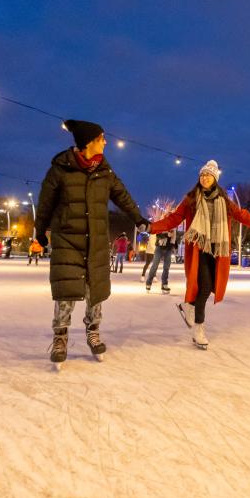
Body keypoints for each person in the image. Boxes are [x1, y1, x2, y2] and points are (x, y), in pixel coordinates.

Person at [33, 119, 148, 368]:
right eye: (101, 138)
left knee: (94, 290)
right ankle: (60, 337)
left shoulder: (104, 171)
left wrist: (138, 218)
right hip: (67, 238)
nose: (106, 142)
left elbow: (122, 195)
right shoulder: (60, 169)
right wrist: (40, 230)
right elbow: (45, 202)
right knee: (66, 291)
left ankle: (93, 331)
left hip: (95, 240)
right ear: (89, 142)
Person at [150, 160, 250, 350]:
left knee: (210, 286)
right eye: (202, 175)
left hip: (218, 251)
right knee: (204, 287)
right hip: (200, 250)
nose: (205, 178)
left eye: (209, 175)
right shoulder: (191, 199)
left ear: (215, 178)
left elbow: (246, 217)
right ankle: (198, 329)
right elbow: (173, 219)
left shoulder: (225, 202)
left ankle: (188, 306)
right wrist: (151, 227)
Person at [144, 227, 178, 293]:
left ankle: (164, 284)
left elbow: (174, 237)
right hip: (159, 247)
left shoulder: (173, 226)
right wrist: (167, 234)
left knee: (166, 267)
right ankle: (148, 283)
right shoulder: (162, 223)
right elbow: (158, 234)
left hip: (168, 248)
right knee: (154, 266)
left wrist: (175, 246)